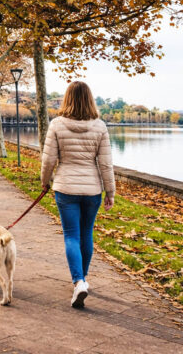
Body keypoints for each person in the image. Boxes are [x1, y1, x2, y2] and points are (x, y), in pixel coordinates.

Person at [40, 81, 115, 308]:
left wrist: (45, 182)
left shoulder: (57, 125)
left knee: (71, 236)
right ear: (90, 99)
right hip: (92, 189)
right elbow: (106, 164)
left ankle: (79, 281)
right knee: (86, 234)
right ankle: (82, 279)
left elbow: (48, 160)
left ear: (67, 99)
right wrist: (110, 191)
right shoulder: (100, 126)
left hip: (66, 188)